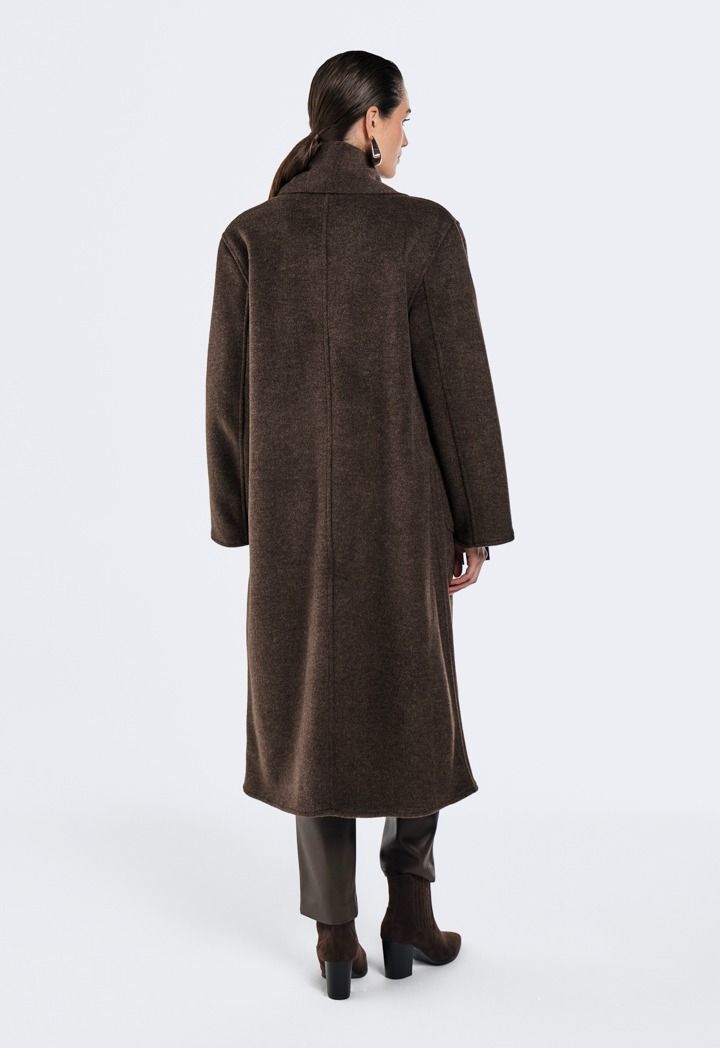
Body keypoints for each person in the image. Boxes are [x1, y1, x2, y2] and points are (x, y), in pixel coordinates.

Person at [205, 50, 515, 1000]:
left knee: (310, 711)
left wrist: (240, 518)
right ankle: (409, 910)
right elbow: (458, 390)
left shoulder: (252, 236)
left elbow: (227, 399)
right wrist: (476, 519)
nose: (409, 134)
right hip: (404, 514)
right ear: (369, 120)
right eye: (404, 116)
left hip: (293, 522)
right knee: (417, 700)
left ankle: (335, 936)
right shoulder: (424, 231)